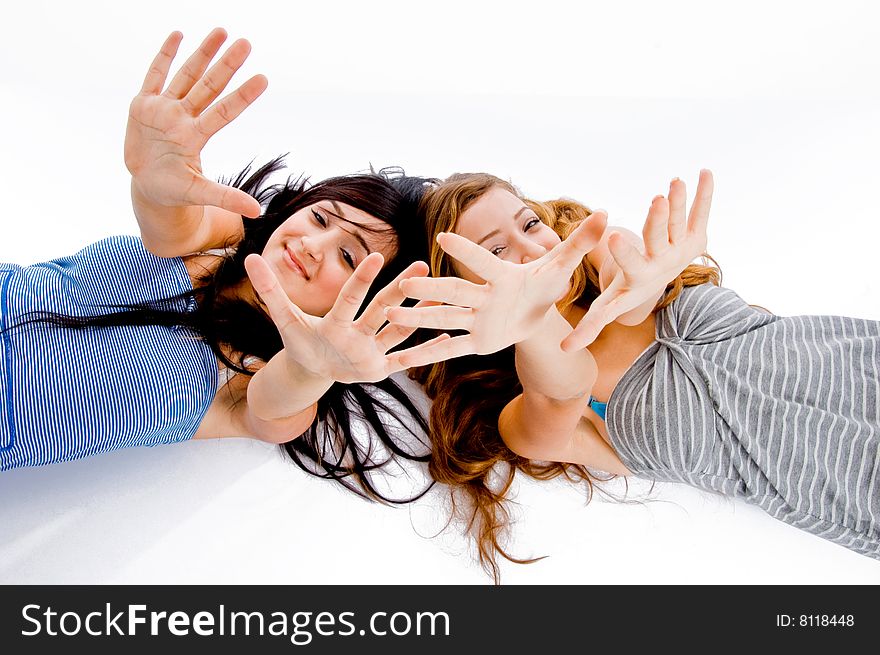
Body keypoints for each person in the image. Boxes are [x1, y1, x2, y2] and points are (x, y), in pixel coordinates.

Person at [0, 29, 446, 497]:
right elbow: (176, 223)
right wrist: (151, 182)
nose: (313, 243)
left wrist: (312, 370)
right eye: (319, 217)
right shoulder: (230, 235)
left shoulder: (256, 378)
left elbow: (273, 406)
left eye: (348, 255)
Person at [386, 171, 880, 582]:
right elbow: (564, 385)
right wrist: (531, 322)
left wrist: (642, 282)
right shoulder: (525, 413)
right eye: (494, 252)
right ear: (458, 290)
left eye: (530, 223)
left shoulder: (611, 271)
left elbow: (629, 293)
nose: (531, 249)